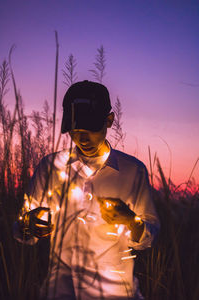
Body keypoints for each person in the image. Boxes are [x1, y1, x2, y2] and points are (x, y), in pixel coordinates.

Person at [15, 80, 160, 300]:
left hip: (117, 293)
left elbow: (148, 237)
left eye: (91, 128)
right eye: (75, 129)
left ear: (109, 120)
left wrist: (131, 220)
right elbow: (22, 230)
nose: (82, 138)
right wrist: (28, 225)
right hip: (61, 292)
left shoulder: (133, 171)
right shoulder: (49, 167)